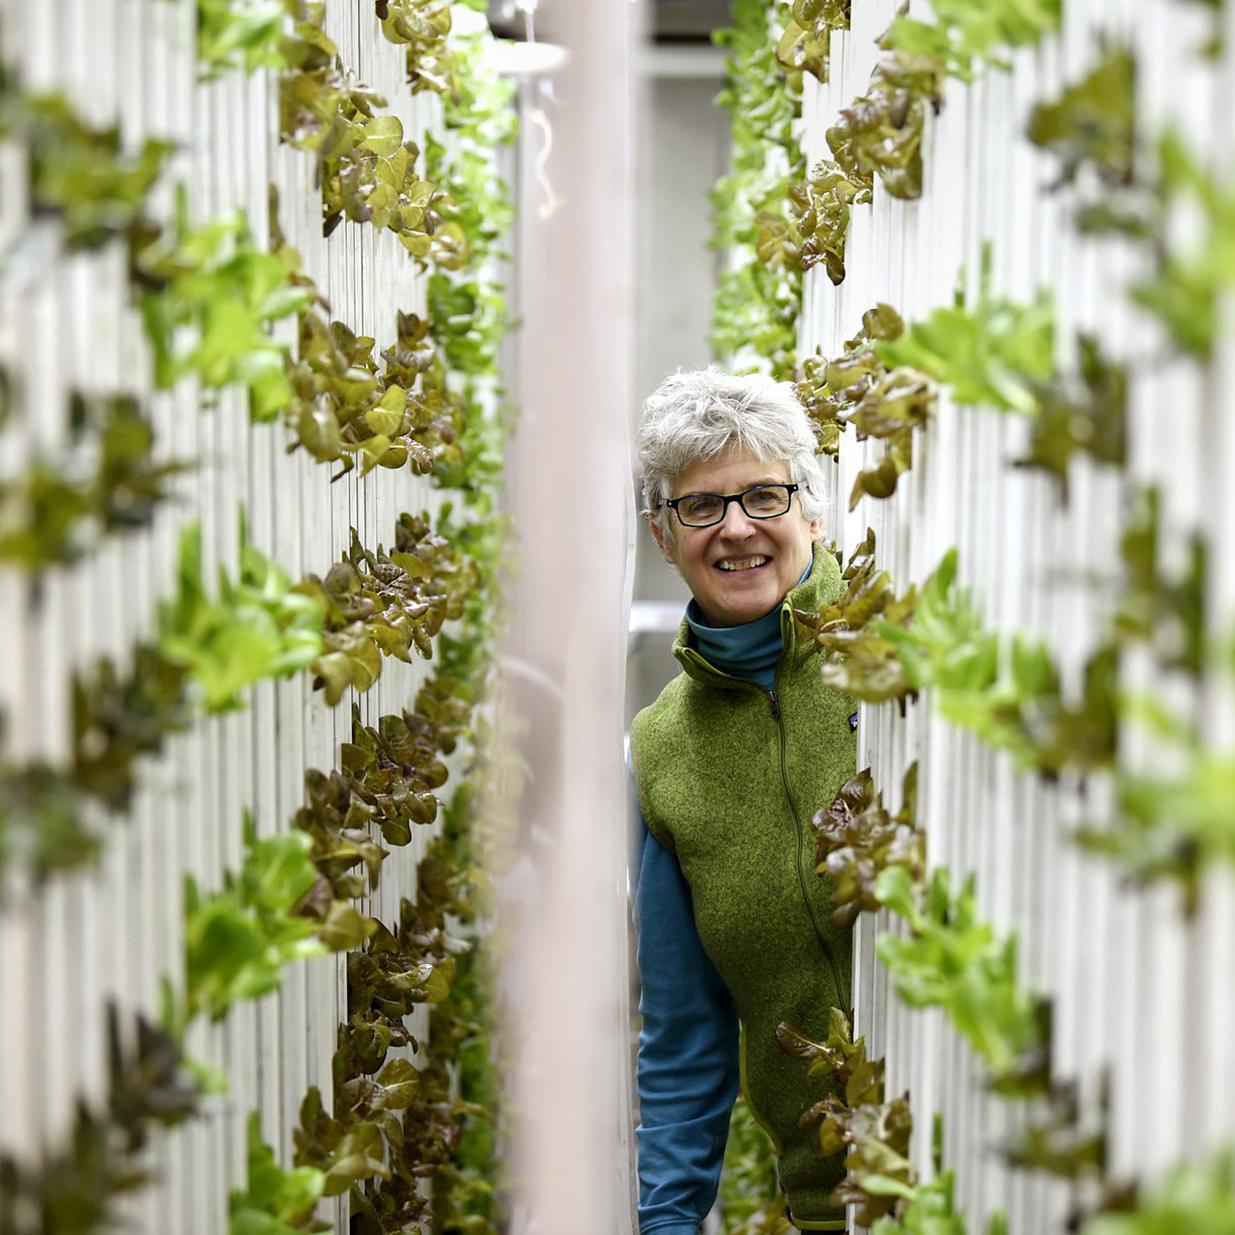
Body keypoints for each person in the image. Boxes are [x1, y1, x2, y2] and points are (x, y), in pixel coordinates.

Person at [629, 368, 857, 1234]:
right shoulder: (664, 747)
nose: (735, 529)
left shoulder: (894, 657)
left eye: (763, 494)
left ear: (811, 510)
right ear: (662, 534)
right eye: (699, 506)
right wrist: (667, 1222)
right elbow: (683, 1035)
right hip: (829, 1204)